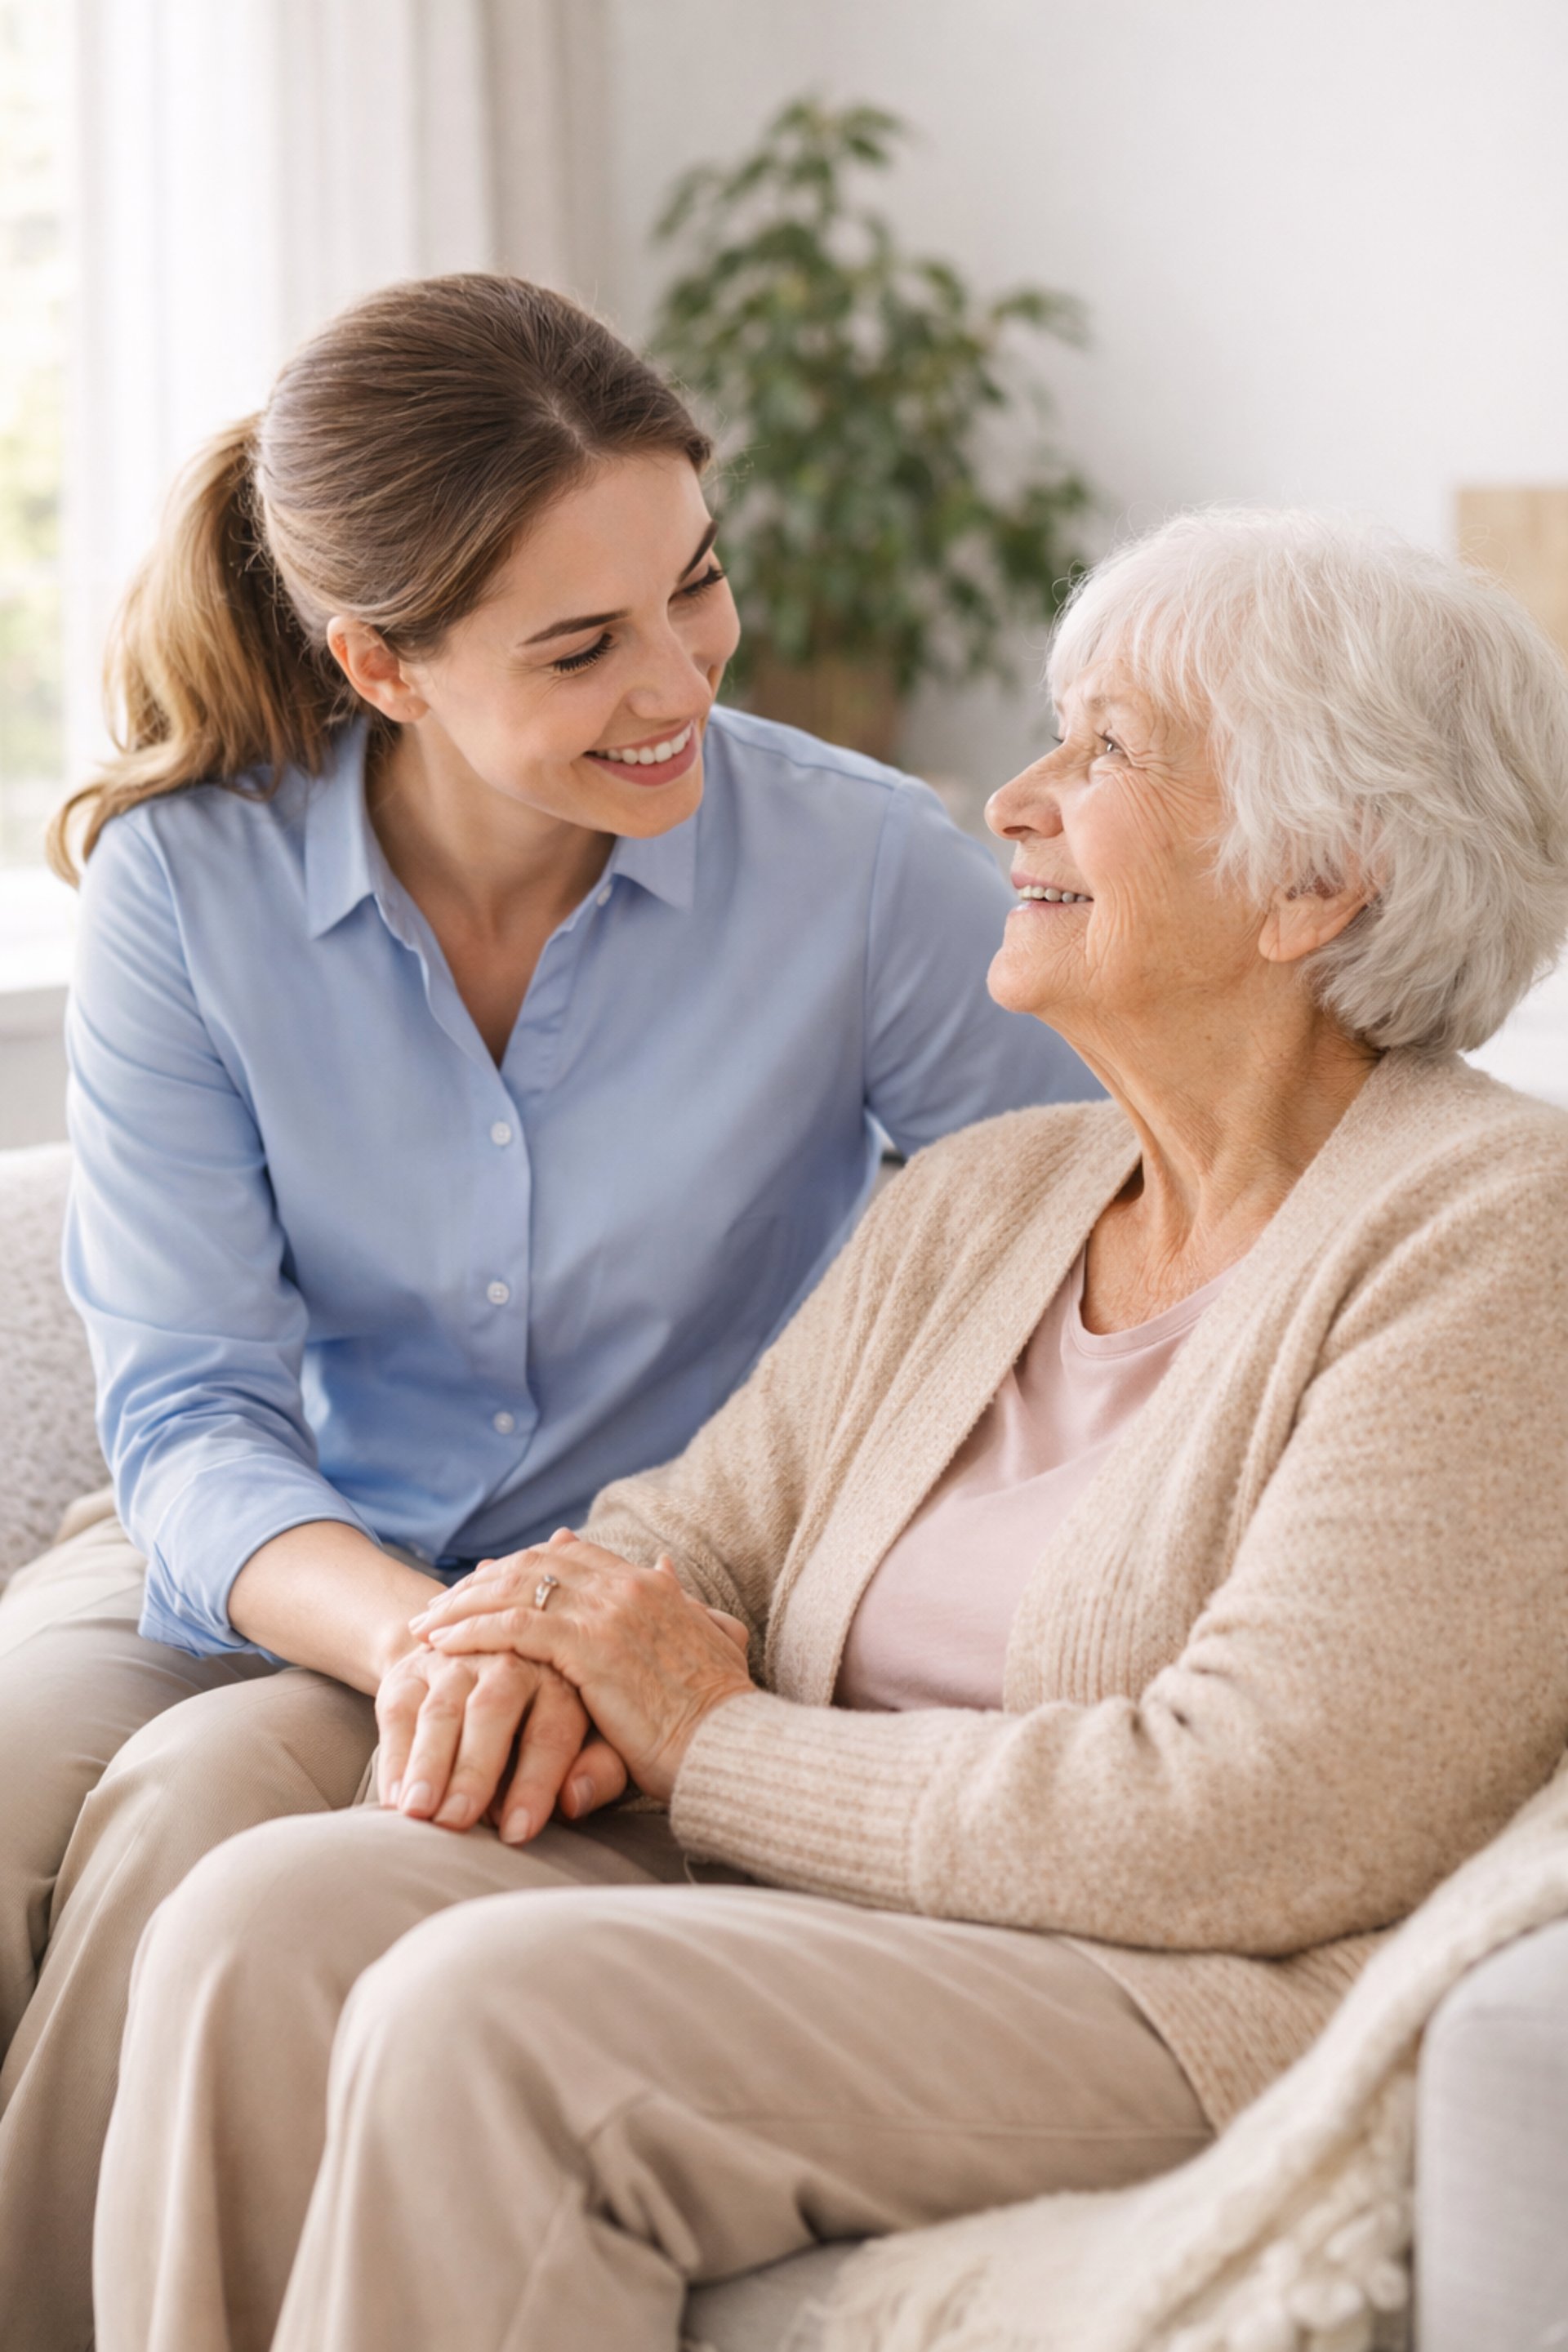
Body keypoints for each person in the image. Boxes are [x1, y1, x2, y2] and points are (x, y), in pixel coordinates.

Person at [93, 507, 1568, 2352]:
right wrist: (537, 1644)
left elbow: (1242, 1819)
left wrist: (712, 1739)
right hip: (840, 1900)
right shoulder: (1002, 1192)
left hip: (1172, 1979)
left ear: (1316, 885)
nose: (1017, 800)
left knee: (490, 2018)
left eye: (1106, 751)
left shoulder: (1495, 1231)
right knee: (265, 1916)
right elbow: (696, 1531)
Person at [0, 274, 1090, 2350]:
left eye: (699, 587)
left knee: (192, 1824)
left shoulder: (862, 873)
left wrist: (594, 1629)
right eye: (582, 645)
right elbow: (195, 1416)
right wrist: (436, 1634)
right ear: (377, 665)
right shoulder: (189, 887)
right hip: (275, 1552)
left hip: (656, 1580)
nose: (677, 677)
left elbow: (1093, 1245)